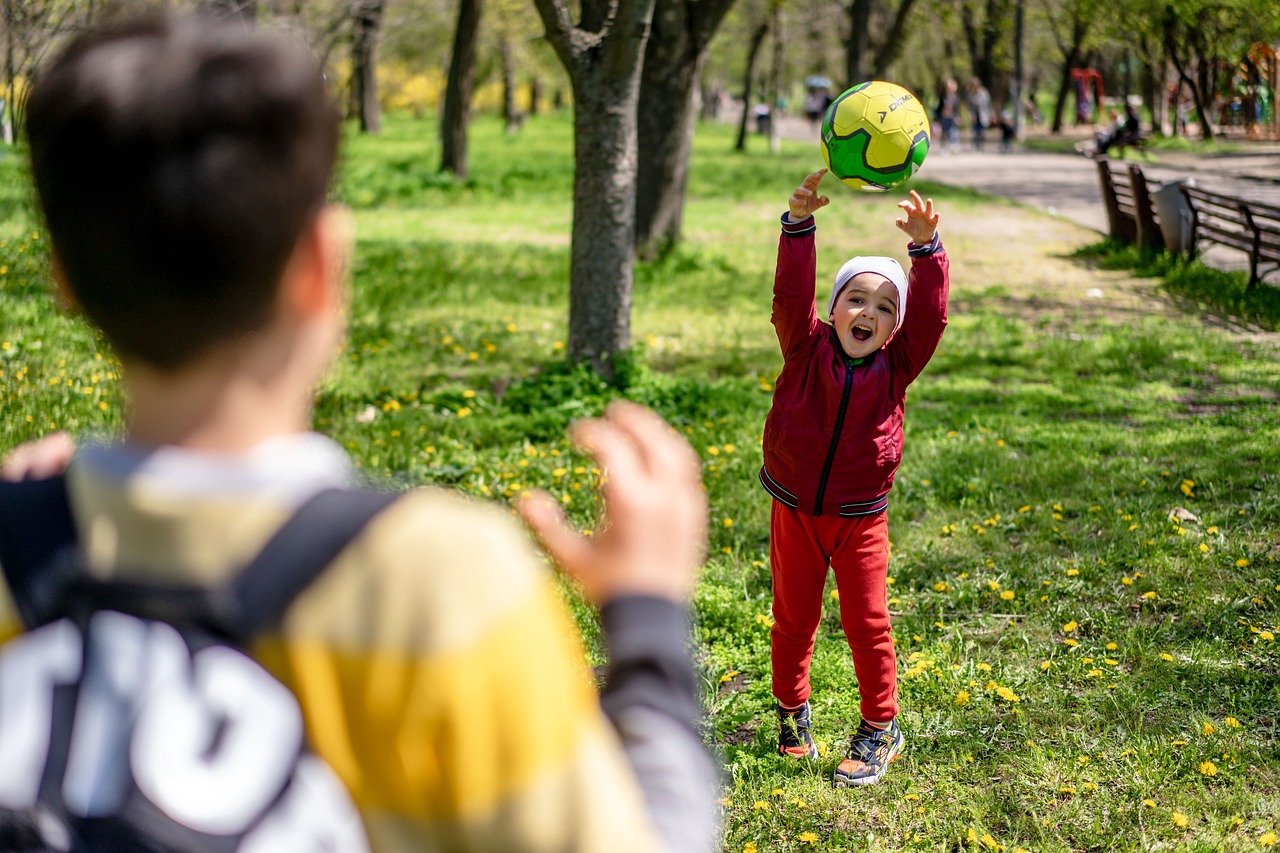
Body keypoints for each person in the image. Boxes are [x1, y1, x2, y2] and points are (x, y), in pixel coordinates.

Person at [11, 12, 719, 852]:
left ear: (62, 278)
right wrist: (645, 624)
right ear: (321, 264)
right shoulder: (435, 583)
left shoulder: (16, 545)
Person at [760, 169, 949, 786]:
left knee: (867, 624)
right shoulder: (803, 346)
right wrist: (798, 227)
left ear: (896, 328)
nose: (868, 311)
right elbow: (790, 296)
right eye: (856, 299)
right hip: (794, 511)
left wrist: (925, 253)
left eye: (885, 306)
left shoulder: (898, 365)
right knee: (793, 620)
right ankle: (792, 713)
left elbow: (931, 318)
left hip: (859, 518)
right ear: (834, 307)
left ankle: (879, 726)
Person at [934, 78, 960, 152]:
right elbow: (939, 107)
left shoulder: (956, 97)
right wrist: (937, 117)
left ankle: (954, 145)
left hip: (952, 117)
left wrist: (958, 117)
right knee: (944, 133)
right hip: (944, 117)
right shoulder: (943, 96)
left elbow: (957, 109)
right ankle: (943, 147)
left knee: (953, 131)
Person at [967, 78, 992, 150]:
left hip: (983, 115)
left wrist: (992, 114)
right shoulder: (970, 95)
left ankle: (981, 145)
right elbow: (969, 106)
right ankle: (976, 145)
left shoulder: (984, 93)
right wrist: (971, 115)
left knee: (982, 132)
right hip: (974, 115)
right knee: (975, 131)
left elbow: (989, 105)